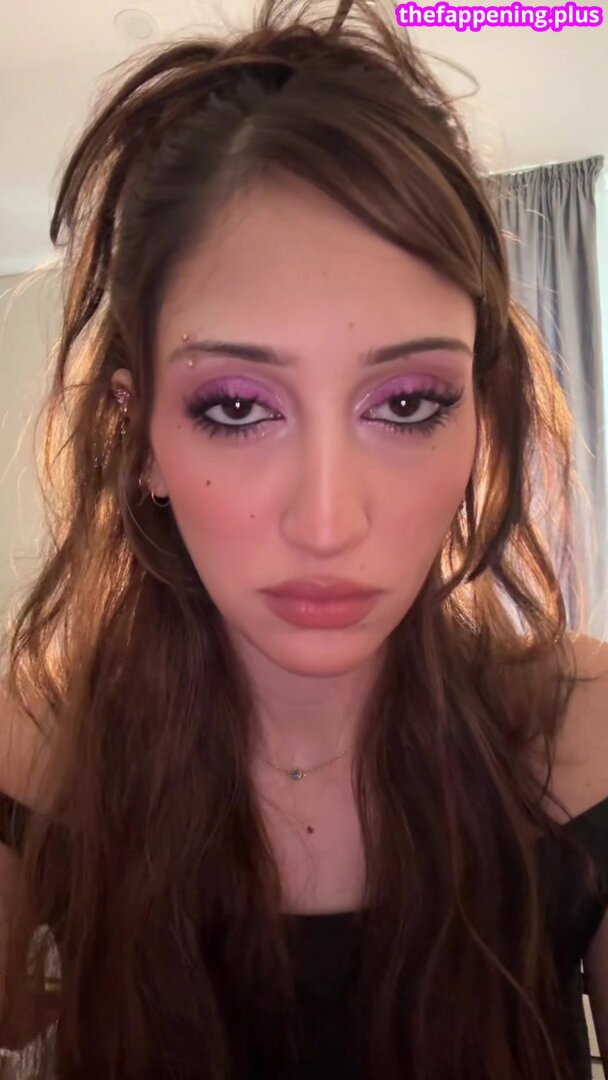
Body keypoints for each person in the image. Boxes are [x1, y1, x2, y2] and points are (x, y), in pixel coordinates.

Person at [0, 0, 606, 1076]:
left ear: (481, 420)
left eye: (407, 404)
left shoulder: (585, 736)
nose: (328, 524)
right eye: (237, 407)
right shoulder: (36, 747)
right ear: (138, 439)